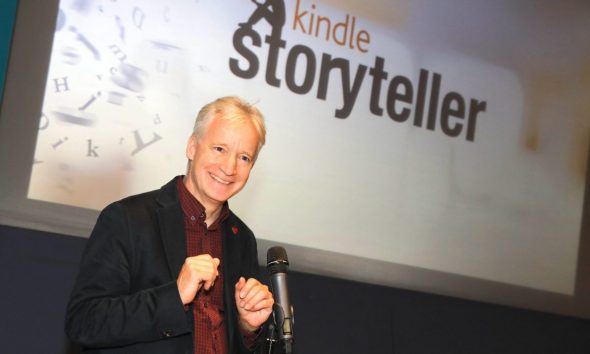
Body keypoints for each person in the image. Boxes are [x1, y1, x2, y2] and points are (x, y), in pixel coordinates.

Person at [65, 96, 275, 353]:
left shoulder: (241, 238)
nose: (229, 168)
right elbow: (84, 322)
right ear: (191, 147)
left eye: (244, 157)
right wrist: (174, 296)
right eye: (219, 149)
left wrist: (248, 328)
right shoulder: (128, 218)